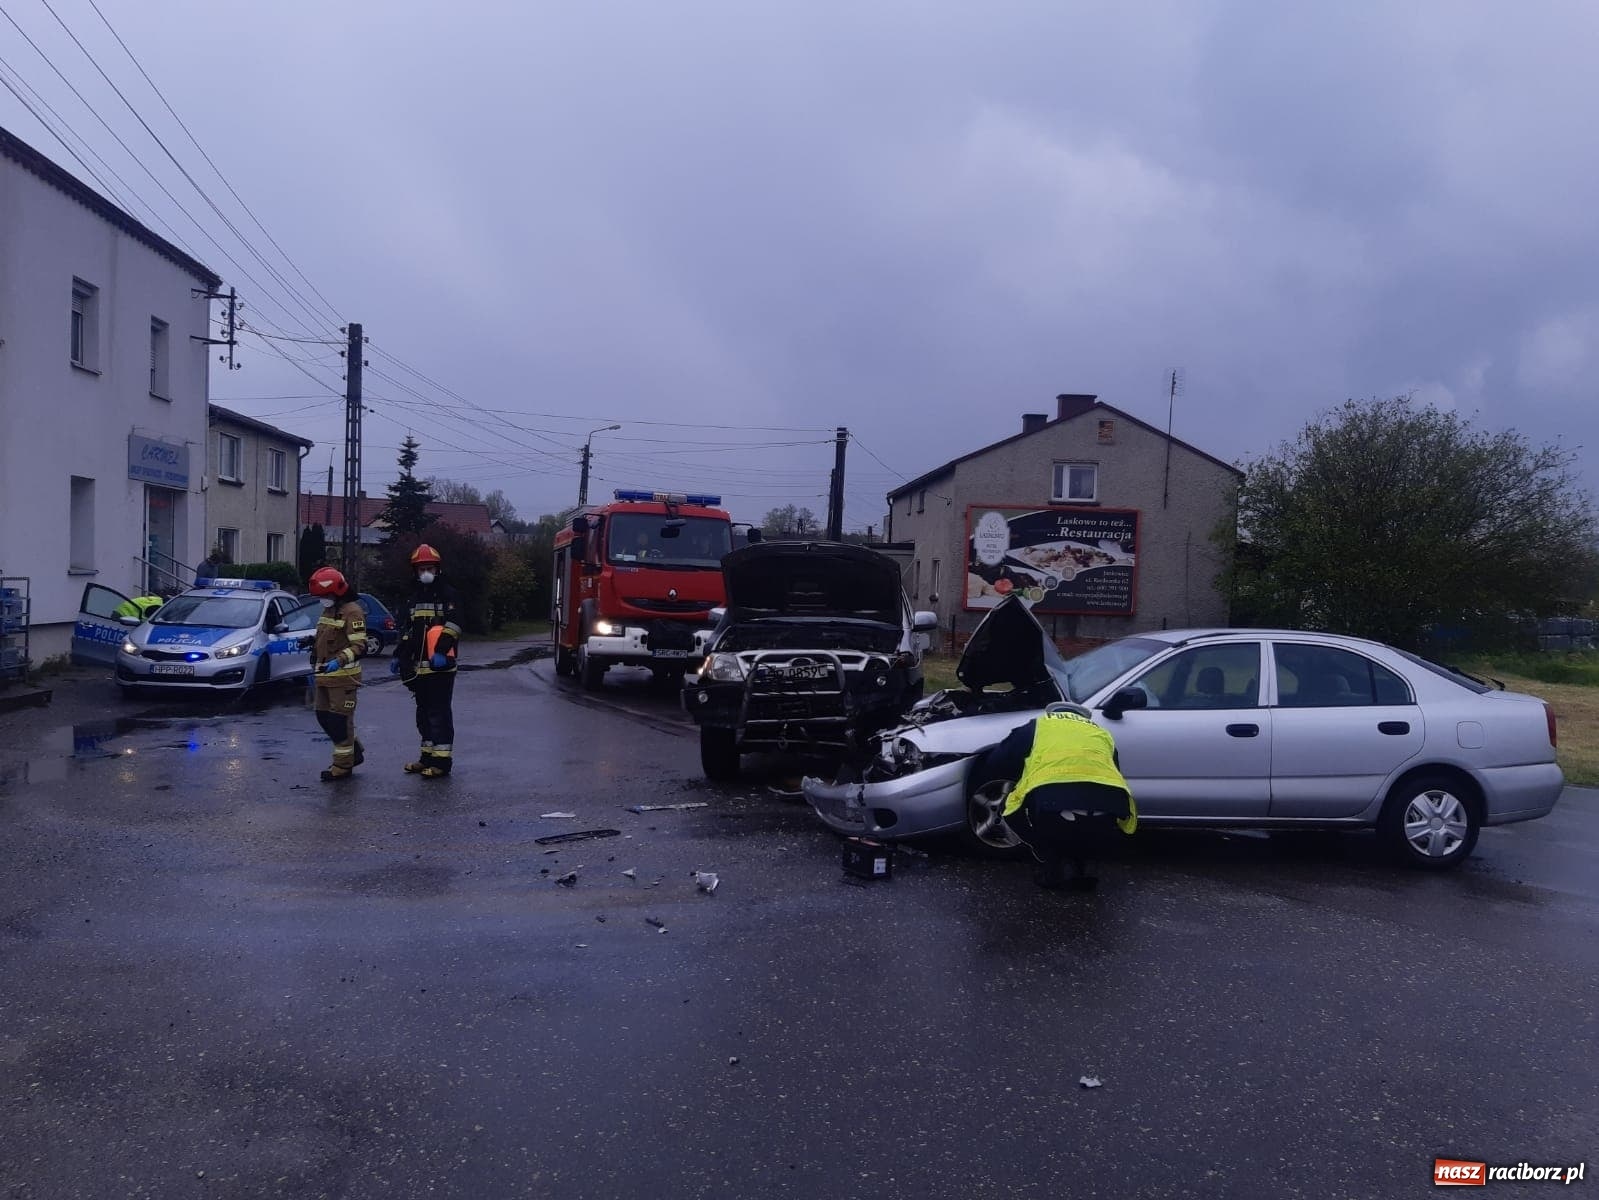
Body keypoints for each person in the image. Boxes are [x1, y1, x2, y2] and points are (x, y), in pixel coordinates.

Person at [972, 703, 1137, 891]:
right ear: (1083, 718)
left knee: (1012, 807)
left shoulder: (1039, 725)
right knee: (1094, 820)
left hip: (1053, 800)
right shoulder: (1102, 732)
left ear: (1052, 713)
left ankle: (1049, 860)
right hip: (1110, 802)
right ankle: (1085, 867)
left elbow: (996, 760)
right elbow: (1114, 768)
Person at [392, 543, 461, 778]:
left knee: (439, 714)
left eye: (429, 568)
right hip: (419, 669)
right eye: (421, 569)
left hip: (441, 666)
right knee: (423, 715)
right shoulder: (413, 598)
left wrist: (441, 651)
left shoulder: (448, 594)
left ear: (437, 569)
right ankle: (427, 758)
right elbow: (408, 631)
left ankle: (442, 762)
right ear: (415, 571)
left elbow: (454, 625)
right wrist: (399, 656)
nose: (425, 573)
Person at [307, 566, 368, 782]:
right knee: (323, 717)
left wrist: (339, 661)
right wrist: (311, 643)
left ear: (338, 592)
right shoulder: (329, 610)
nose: (322, 600)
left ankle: (343, 766)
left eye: (325, 595)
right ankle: (354, 751)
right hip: (324, 676)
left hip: (343, 678)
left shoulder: (352, 611)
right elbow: (326, 636)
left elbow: (359, 645)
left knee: (339, 722)